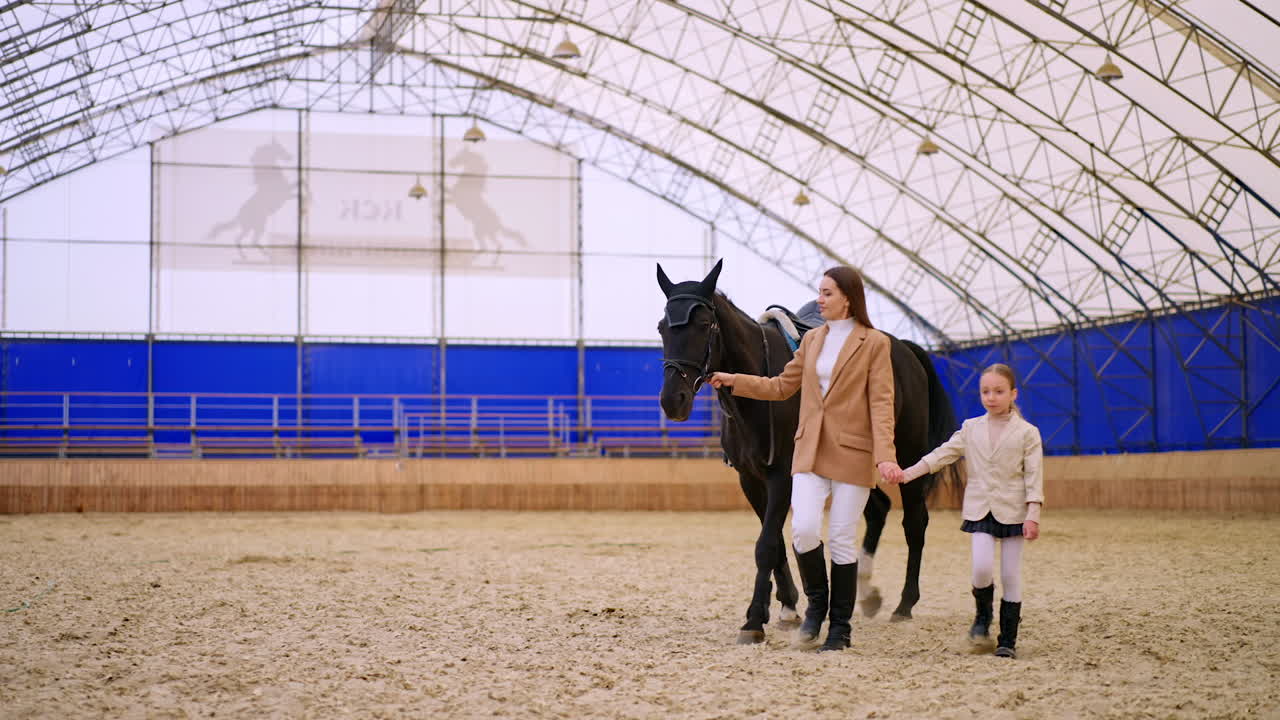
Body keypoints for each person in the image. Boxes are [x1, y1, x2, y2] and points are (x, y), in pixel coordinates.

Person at [709, 266, 903, 652]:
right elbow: (782, 386)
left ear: (848, 298)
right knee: (804, 530)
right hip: (809, 449)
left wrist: (885, 456)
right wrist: (734, 380)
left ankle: (840, 627)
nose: (819, 299)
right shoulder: (812, 340)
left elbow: (881, 404)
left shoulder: (875, 343)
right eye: (820, 292)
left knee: (842, 538)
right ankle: (815, 608)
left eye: (828, 293)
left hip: (853, 452)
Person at [893, 363, 1043, 658]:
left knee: (1011, 575)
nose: (991, 397)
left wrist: (1033, 515)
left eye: (998, 391)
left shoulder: (1028, 433)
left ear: (1013, 394)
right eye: (985, 391)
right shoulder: (971, 428)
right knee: (981, 568)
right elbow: (942, 454)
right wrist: (908, 473)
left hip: (1014, 512)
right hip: (979, 510)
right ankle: (982, 617)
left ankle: (1007, 640)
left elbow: (1034, 476)